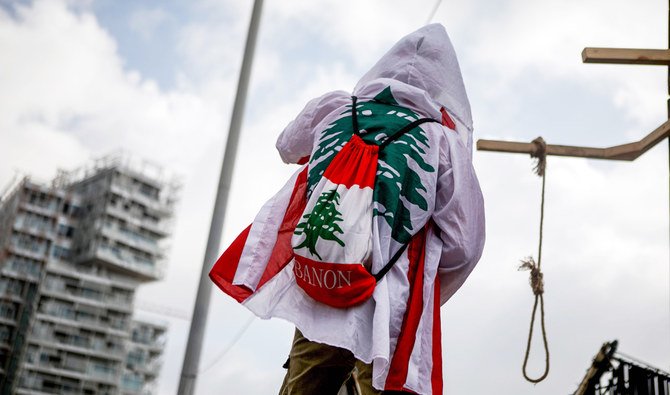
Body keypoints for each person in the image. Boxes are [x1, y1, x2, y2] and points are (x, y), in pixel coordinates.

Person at [210, 23, 485, 395]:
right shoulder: (441, 141)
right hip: (388, 302)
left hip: (320, 285)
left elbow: (287, 146)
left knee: (304, 385)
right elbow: (464, 244)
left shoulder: (336, 108)